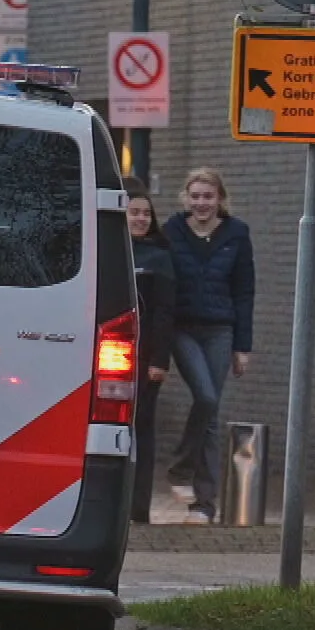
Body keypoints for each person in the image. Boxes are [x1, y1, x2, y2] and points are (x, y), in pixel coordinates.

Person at [162, 168, 256, 525]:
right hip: (182, 328)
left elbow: (244, 292)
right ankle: (181, 469)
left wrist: (242, 346)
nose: (202, 203)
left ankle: (203, 504)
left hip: (220, 330)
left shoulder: (237, 234)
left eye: (208, 196)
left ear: (220, 199)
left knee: (211, 415)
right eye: (196, 196)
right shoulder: (172, 232)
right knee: (205, 397)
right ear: (186, 198)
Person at [125, 178, 175, 525]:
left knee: (142, 427)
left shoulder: (160, 257)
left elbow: (164, 311)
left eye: (146, 213)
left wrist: (159, 359)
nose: (141, 219)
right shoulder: (111, 250)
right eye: (135, 213)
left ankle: (139, 507)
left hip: (146, 355)